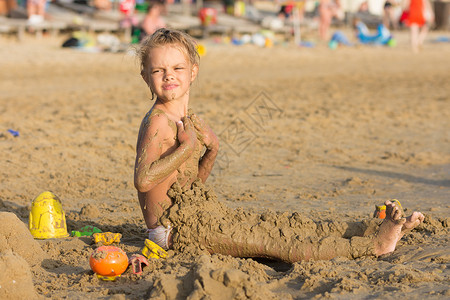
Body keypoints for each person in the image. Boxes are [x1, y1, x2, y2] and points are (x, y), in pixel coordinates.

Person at [134, 28, 425, 262]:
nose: (169, 75)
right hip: (172, 232)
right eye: (158, 70)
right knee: (274, 244)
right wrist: (186, 148)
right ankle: (374, 245)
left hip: (195, 217)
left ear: (193, 72)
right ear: (146, 76)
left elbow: (189, 187)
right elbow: (143, 180)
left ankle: (370, 229)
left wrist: (212, 150)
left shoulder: (185, 119)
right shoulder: (158, 122)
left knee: (280, 225)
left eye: (177, 68)